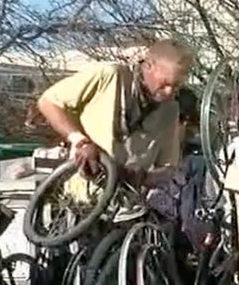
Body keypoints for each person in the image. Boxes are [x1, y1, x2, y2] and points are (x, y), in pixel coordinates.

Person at [35, 39, 193, 184]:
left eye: (176, 86)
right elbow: (48, 102)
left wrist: (143, 177)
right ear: (148, 66)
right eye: (165, 83)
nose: (169, 92)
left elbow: (167, 167)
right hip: (84, 197)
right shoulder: (110, 76)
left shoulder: (170, 110)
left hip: (126, 205)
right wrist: (80, 141)